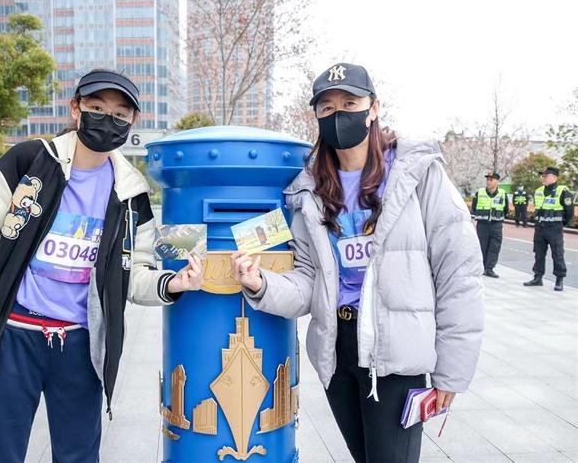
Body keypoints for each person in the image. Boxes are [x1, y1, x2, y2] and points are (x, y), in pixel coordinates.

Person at [0, 69, 204, 462]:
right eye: (97, 108)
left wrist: (174, 283)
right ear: (76, 108)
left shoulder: (131, 193)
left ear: (133, 121)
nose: (107, 119)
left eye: (119, 114)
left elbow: (134, 276)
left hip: (81, 344)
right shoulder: (29, 161)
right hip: (12, 336)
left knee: (78, 454)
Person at [229, 63, 484, 463]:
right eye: (327, 108)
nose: (339, 115)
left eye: (350, 103)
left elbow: (459, 273)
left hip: (396, 352)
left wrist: (451, 371)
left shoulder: (417, 174)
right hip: (339, 349)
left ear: (373, 108)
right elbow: (309, 280)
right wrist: (260, 283)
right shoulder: (309, 190)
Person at [524, 166, 574, 291]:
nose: (543, 178)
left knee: (557, 254)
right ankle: (538, 277)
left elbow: (570, 212)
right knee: (538, 253)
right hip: (540, 228)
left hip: (554, 228)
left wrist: (562, 223)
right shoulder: (539, 191)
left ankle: (559, 279)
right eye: (543, 175)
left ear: (554, 177)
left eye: (546, 175)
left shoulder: (563, 191)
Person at [471, 172, 508, 278]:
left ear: (497, 181)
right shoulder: (480, 192)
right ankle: (480, 267)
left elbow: (505, 210)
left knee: (495, 247)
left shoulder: (502, 193)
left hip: (496, 225)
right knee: (481, 246)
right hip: (483, 225)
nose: (488, 181)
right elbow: (474, 207)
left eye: (491, 180)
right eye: (487, 179)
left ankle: (489, 268)